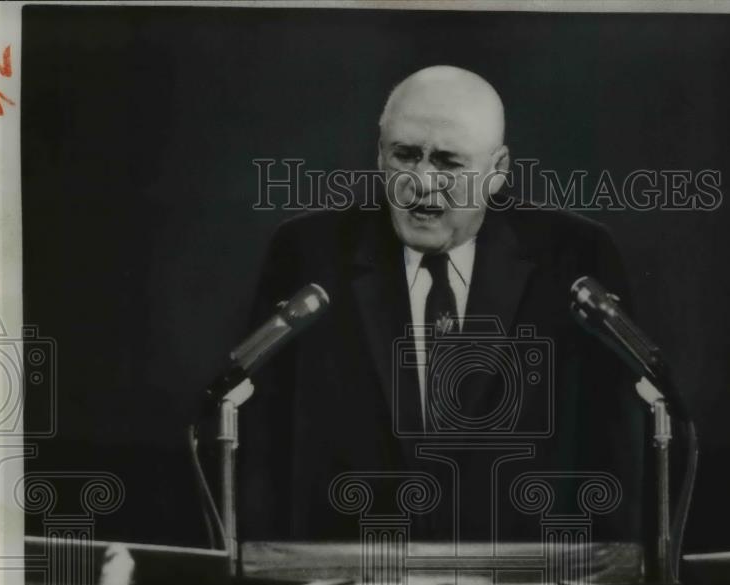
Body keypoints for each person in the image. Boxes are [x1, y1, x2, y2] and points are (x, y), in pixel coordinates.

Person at [240, 66, 645, 545]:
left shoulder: (577, 257)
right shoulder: (308, 253)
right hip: (347, 574)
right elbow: (260, 445)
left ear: (497, 171)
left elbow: (617, 451)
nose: (421, 181)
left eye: (448, 163)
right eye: (405, 155)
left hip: (528, 579)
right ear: (379, 155)